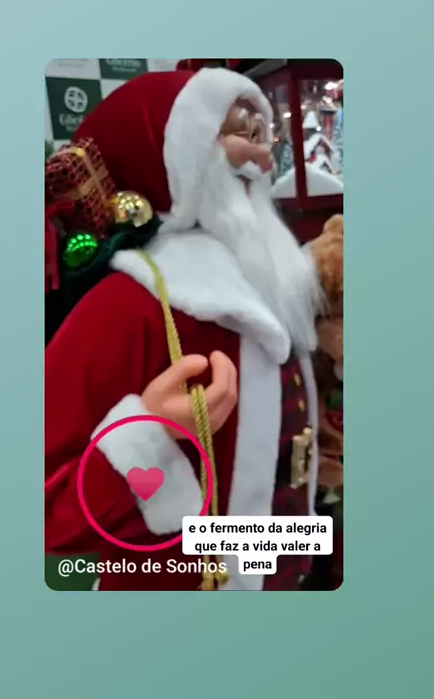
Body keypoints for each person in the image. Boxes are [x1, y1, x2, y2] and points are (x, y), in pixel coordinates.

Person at [45, 68, 322, 591]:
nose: (264, 160)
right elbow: (44, 508)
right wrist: (147, 435)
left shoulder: (269, 284)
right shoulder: (127, 308)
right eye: (243, 133)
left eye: (265, 137)